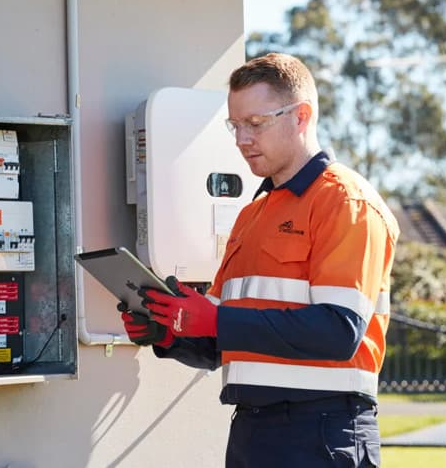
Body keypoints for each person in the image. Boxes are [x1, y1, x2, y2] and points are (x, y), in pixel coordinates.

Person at [120, 53, 399, 467]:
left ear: (301, 116)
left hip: (323, 432)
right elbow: (223, 342)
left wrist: (214, 320)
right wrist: (168, 330)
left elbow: (340, 331)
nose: (241, 139)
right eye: (235, 125)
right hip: (253, 431)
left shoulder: (345, 202)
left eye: (255, 124)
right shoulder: (254, 213)